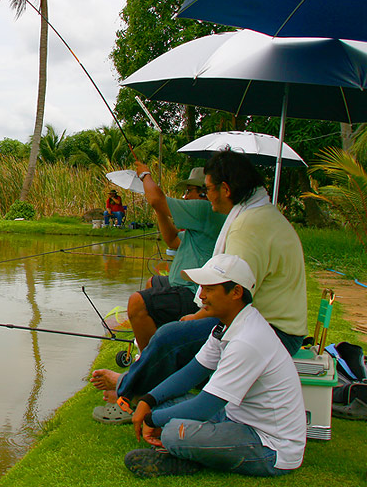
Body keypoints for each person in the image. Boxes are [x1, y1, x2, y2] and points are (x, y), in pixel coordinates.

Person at [90, 150, 307, 422]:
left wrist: (197, 315)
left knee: (170, 337)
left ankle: (128, 397)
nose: (206, 196)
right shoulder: (257, 215)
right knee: (180, 337)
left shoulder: (247, 227)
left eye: (207, 189)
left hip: (274, 333)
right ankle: (141, 387)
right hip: (266, 323)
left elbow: (233, 295)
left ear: (225, 189)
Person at [124, 254, 306, 478]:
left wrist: (151, 419)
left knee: (172, 432)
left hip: (269, 446)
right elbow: (192, 372)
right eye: (201, 288)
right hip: (235, 418)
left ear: (236, 292)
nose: (201, 297)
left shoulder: (247, 340)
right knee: (165, 407)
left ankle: (183, 455)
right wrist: (148, 401)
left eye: (209, 289)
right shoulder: (225, 327)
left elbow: (205, 406)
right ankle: (189, 452)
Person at [123, 164, 225, 351]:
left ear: (204, 193)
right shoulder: (201, 226)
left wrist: (145, 175)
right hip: (180, 284)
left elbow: (157, 199)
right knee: (153, 282)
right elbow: (172, 241)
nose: (185, 196)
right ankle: (162, 341)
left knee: (137, 302)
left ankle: (148, 361)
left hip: (193, 292)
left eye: (189, 191)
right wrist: (160, 211)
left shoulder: (204, 210)